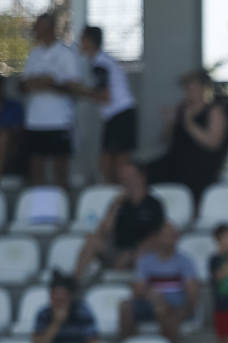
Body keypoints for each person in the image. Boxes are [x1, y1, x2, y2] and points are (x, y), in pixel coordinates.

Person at [123, 223, 200, 343]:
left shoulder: (185, 261)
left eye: (173, 235)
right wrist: (152, 296)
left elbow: (192, 291)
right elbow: (138, 288)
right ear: (157, 238)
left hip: (176, 304)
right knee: (124, 307)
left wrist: (186, 308)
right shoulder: (146, 261)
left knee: (165, 313)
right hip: (149, 302)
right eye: (166, 235)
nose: (170, 239)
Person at [145, 70, 228, 204]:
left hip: (201, 164)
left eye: (193, 89)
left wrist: (189, 123)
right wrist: (169, 123)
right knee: (142, 172)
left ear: (203, 89)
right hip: (175, 160)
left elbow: (213, 143)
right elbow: (166, 141)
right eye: (187, 89)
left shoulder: (214, 110)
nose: (189, 93)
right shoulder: (181, 108)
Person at [73, 161, 166, 282]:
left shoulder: (154, 204)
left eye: (130, 176)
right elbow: (103, 231)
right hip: (116, 250)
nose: (126, 181)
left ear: (142, 177)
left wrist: (132, 252)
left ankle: (139, 285)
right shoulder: (119, 203)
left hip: (140, 251)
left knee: (143, 252)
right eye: (124, 178)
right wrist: (114, 207)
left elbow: (157, 234)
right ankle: (74, 282)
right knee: (92, 241)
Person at [19, 12, 82, 186]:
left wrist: (51, 84)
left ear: (50, 29)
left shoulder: (66, 54)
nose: (35, 30)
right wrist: (37, 82)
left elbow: (75, 88)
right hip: (35, 121)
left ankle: (62, 201)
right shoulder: (34, 55)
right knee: (36, 168)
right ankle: (38, 201)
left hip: (59, 120)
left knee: (60, 170)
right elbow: (23, 85)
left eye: (39, 27)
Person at [79, 26, 138, 183]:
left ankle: (121, 193)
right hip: (117, 116)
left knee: (114, 165)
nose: (80, 43)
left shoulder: (100, 63)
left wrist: (80, 91)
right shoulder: (101, 61)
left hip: (121, 116)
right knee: (108, 164)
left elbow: (105, 96)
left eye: (82, 39)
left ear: (90, 41)